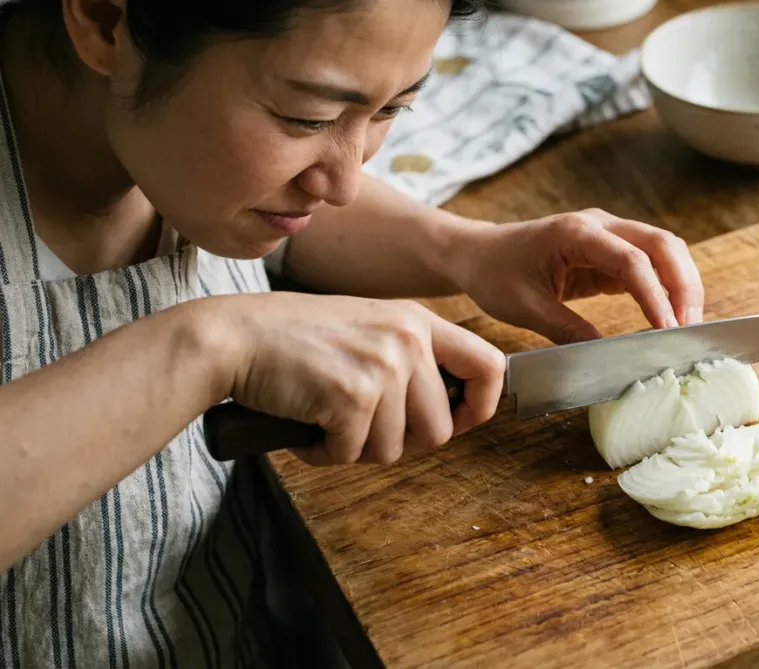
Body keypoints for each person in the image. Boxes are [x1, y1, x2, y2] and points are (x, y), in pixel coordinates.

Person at [0, 0, 705, 666]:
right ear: (104, 18)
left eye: (391, 108)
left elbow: (270, 216)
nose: (341, 181)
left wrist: (464, 248)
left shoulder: (174, 145)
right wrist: (215, 345)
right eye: (305, 118)